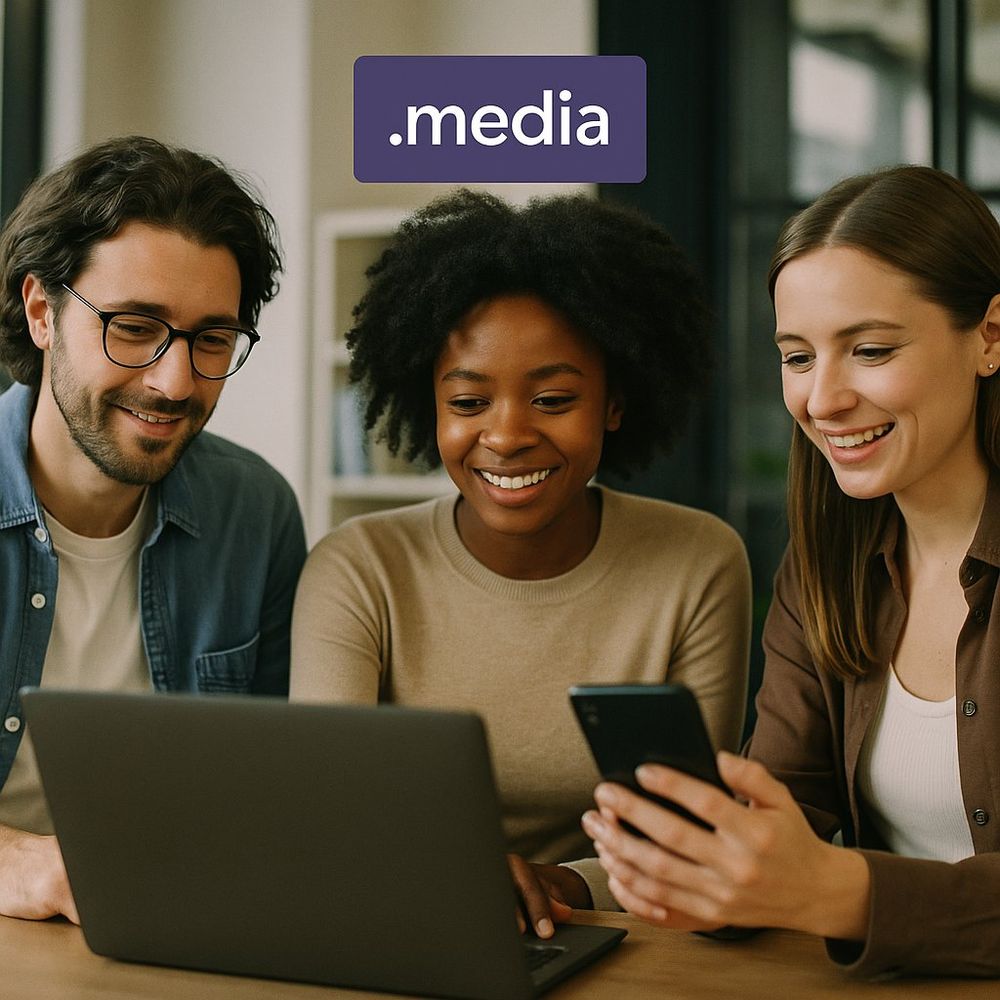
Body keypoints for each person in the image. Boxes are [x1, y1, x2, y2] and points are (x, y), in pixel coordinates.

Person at [290, 189, 751, 937]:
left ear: (615, 402)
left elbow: (685, 834)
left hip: (617, 936)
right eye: (468, 402)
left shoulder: (696, 562)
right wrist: (459, 880)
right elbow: (333, 811)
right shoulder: (360, 568)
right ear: (428, 405)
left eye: (554, 398)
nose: (505, 436)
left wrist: (554, 884)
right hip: (399, 925)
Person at [584, 164, 1000, 979]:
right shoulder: (825, 571)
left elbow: (822, 883)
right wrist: (706, 863)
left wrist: (839, 893)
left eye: (871, 349)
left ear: (989, 336)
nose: (823, 399)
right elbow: (790, 799)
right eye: (797, 357)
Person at [0, 136, 307, 923]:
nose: (174, 382)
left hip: (172, 925)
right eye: (134, 327)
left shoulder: (255, 513)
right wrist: (21, 865)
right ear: (42, 311)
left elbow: (273, 790)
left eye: (211, 340)